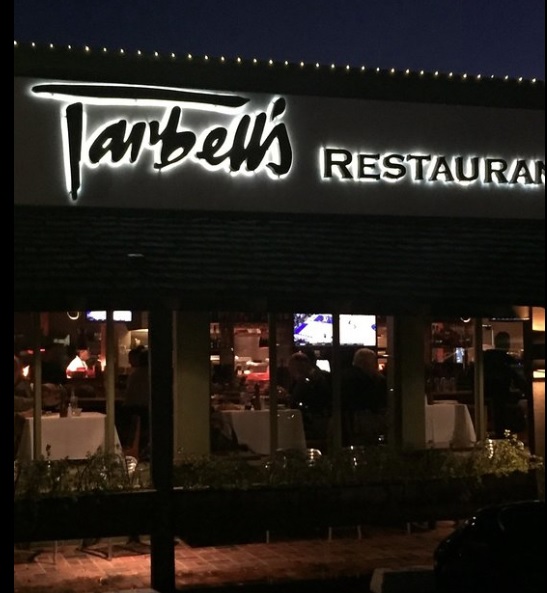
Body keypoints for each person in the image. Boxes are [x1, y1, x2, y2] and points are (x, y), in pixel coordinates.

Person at [483, 331, 528, 438]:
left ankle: (498, 434)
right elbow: (516, 377)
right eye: (508, 343)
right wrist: (526, 389)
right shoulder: (507, 360)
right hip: (502, 393)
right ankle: (502, 435)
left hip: (486, 392)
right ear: (506, 344)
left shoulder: (486, 357)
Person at [341, 348, 387, 446]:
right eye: (373, 363)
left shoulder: (344, 376)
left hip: (344, 425)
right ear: (366, 363)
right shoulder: (365, 380)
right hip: (360, 424)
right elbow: (375, 403)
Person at [287, 350, 332, 448]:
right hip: (322, 422)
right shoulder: (318, 375)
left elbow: (295, 401)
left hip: (313, 426)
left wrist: (286, 397)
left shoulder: (307, 381)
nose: (291, 373)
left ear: (298, 367)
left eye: (292, 369)